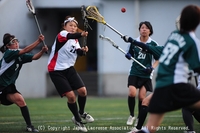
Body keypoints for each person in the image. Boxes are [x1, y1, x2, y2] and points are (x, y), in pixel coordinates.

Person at [134, 5, 200, 133]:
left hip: (162, 85)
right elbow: (197, 68)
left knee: (149, 129)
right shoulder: (192, 41)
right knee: (188, 106)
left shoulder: (174, 35)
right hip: (178, 86)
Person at [47, 16, 94, 132]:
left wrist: (83, 51)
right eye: (70, 25)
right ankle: (78, 120)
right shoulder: (62, 34)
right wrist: (81, 34)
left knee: (83, 91)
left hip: (69, 69)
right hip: (56, 70)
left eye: (75, 26)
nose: (73, 28)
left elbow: (78, 52)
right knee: (71, 96)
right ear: (64, 26)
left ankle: (81, 113)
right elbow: (71, 35)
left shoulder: (75, 40)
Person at [0, 33, 48, 132]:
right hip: (1, 84)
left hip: (7, 86)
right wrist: (38, 41)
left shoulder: (19, 55)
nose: (16, 43)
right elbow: (26, 50)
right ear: (7, 46)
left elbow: (34, 57)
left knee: (21, 101)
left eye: (17, 40)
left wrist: (42, 51)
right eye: (13, 42)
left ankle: (29, 126)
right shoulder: (9, 52)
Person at [125, 21, 159, 127]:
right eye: (142, 28)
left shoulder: (153, 44)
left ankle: (140, 117)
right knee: (131, 93)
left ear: (150, 31)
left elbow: (158, 59)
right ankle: (131, 115)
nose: (144, 29)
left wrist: (152, 68)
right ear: (139, 30)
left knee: (141, 97)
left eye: (146, 28)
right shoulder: (134, 42)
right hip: (134, 71)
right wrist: (128, 55)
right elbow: (129, 52)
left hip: (146, 74)